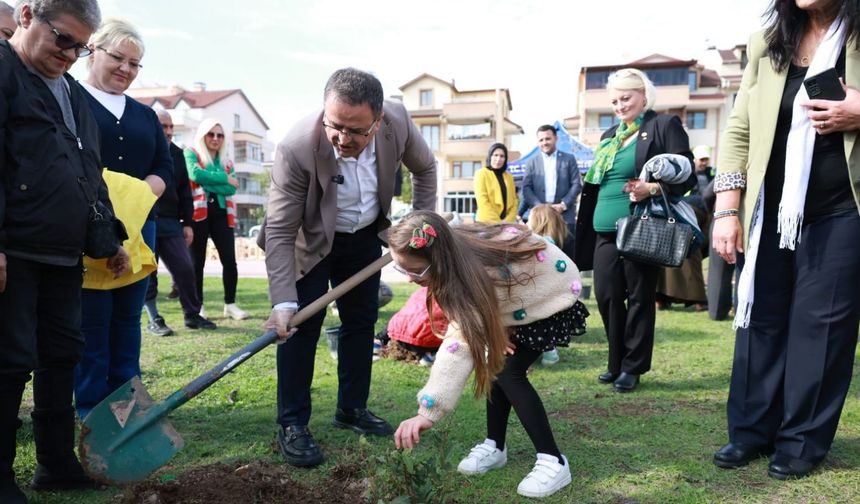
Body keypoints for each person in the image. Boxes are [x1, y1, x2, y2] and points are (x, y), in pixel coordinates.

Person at [711, 0, 860, 480]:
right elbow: (738, 128)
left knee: (822, 327)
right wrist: (726, 210)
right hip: (768, 209)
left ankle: (801, 441)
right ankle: (750, 431)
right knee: (760, 317)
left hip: (842, 210)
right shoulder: (767, 43)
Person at [263, 67, 437, 468]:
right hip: (311, 240)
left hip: (364, 238)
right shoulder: (296, 147)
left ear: (378, 121)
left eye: (356, 131)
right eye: (335, 126)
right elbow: (280, 229)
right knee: (301, 326)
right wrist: (283, 301)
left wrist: (420, 229)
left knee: (360, 322)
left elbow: (425, 169)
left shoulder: (399, 122)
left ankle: (352, 408)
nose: (342, 138)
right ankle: (293, 423)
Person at [0, 1, 131, 501]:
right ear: (27, 16)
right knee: (10, 360)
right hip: (16, 249)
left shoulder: (72, 92)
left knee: (62, 356)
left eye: (81, 47)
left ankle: (55, 463)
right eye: (63, 40)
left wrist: (108, 239)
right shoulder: (4, 74)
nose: (71, 55)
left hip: (63, 253)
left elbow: (88, 170)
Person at [391, 211, 587, 498]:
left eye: (416, 271)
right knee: (495, 362)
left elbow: (459, 344)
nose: (410, 279)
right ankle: (495, 445)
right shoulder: (455, 260)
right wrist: (497, 327)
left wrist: (428, 414)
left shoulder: (469, 274)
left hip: (550, 290)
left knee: (508, 370)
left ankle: (553, 461)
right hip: (515, 294)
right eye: (401, 270)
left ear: (438, 260)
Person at [574, 68, 696, 393]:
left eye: (626, 98)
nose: (619, 106)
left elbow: (687, 176)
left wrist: (653, 188)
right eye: (614, 101)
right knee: (607, 296)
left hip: (640, 226)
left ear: (644, 95)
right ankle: (615, 362)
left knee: (640, 298)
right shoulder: (609, 135)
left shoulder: (663, 125)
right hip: (603, 231)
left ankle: (632, 367)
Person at [74, 18, 172, 420]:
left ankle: (129, 411)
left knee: (128, 322)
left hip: (139, 230)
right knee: (92, 323)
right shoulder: (70, 99)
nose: (126, 69)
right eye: (118, 58)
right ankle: (91, 412)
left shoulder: (145, 116)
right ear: (92, 51)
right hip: (86, 228)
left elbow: (163, 166)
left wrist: (137, 198)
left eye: (134, 63)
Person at [143, 110, 216, 335]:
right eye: (163, 126)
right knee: (148, 272)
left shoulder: (177, 154)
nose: (168, 131)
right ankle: (154, 318)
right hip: (144, 218)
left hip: (171, 222)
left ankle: (192, 315)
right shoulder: (141, 150)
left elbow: (185, 191)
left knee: (185, 268)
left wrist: (188, 223)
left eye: (171, 127)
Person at [185, 118, 249, 321]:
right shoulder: (191, 153)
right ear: (202, 135)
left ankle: (230, 304)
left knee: (229, 260)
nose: (215, 138)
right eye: (210, 134)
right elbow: (195, 175)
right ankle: (198, 306)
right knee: (197, 262)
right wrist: (223, 178)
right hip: (199, 214)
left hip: (223, 213)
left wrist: (210, 179)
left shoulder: (226, 161)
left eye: (220, 135)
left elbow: (232, 188)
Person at [519, 125, 582, 258]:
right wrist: (541, 208)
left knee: (567, 256)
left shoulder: (569, 159)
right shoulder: (531, 162)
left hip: (564, 216)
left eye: (548, 139)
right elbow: (526, 188)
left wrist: (563, 205)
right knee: (541, 257)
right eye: (541, 140)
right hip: (540, 219)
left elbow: (577, 184)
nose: (545, 143)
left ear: (556, 138)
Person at [526, 204, 573, 366]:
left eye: (529, 220)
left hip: (532, 293)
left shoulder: (535, 244)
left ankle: (543, 352)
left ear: (537, 222)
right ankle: (549, 352)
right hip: (555, 296)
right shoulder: (560, 243)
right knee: (546, 323)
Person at [374, 285, 445, 366]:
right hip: (425, 340)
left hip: (398, 334)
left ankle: (378, 340)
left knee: (400, 317)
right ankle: (432, 354)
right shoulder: (454, 293)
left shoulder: (424, 289)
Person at [474, 142, 517, 223]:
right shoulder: (481, 174)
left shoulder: (509, 177)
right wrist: (498, 223)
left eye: (502, 156)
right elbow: (482, 202)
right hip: (485, 223)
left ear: (505, 159)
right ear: (490, 156)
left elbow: (514, 201)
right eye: (495, 155)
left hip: (507, 223)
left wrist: (508, 220)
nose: (498, 159)